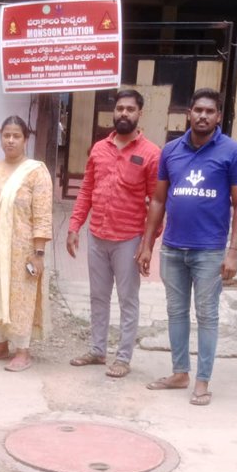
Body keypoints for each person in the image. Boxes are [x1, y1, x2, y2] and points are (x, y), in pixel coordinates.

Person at [137, 88, 237, 405]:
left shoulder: (233, 153)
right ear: (189, 113)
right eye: (198, 110)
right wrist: (148, 244)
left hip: (210, 251)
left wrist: (233, 252)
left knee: (207, 315)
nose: (203, 116)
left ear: (218, 116)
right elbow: (158, 199)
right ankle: (179, 373)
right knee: (175, 312)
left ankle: (202, 381)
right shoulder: (171, 151)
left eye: (209, 111)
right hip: (173, 247)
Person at [66, 88, 161, 378]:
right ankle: (97, 351)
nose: (124, 114)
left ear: (139, 113)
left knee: (128, 299)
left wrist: (147, 244)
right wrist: (74, 226)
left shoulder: (151, 154)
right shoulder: (98, 149)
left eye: (130, 109)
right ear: (114, 111)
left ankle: (123, 358)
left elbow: (157, 204)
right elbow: (86, 190)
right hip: (97, 235)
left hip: (129, 239)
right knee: (98, 296)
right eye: (120, 108)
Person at [0, 116, 53, 372]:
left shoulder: (36, 172)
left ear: (26, 139)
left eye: (16, 135)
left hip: (22, 250)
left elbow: (42, 216)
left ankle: (23, 351)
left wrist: (38, 253)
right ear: (0, 138)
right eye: (6, 135)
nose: (11, 140)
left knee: (20, 297)